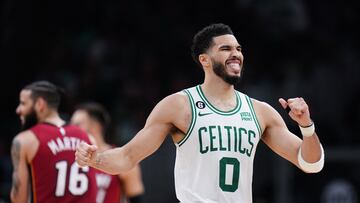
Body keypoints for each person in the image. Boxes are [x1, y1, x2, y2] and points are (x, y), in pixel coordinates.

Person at [75, 23, 324, 203]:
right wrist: (95, 160)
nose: (236, 54)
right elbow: (128, 157)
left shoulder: (260, 112)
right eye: (226, 49)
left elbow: (311, 164)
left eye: (238, 48)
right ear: (205, 60)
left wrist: (306, 126)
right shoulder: (179, 105)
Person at [10, 81, 97, 203]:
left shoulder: (24, 140)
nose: (18, 110)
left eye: (23, 104)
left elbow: (19, 199)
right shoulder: (87, 137)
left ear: (40, 104)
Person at [71, 102, 145, 203]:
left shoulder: (120, 157)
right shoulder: (68, 157)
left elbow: (136, 199)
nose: (71, 128)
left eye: (77, 124)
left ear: (96, 126)